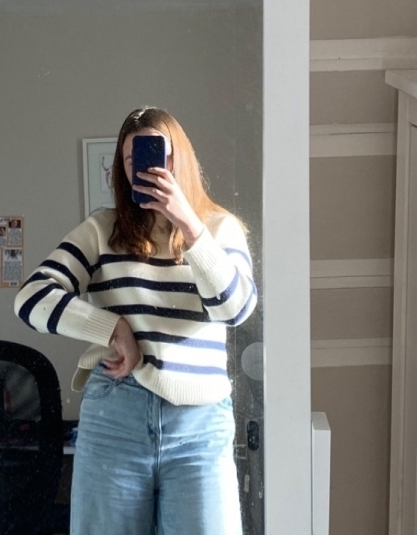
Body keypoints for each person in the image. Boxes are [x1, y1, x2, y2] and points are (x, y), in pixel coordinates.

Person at [14, 107, 257, 535]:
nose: (149, 167)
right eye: (133, 160)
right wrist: (111, 328)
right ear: (123, 170)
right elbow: (31, 297)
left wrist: (188, 224)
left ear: (181, 157)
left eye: (162, 154)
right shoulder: (102, 230)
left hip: (199, 426)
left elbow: (234, 310)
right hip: (115, 414)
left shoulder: (219, 230)